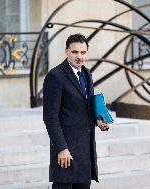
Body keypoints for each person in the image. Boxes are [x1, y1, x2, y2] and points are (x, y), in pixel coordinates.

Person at [43, 33, 109, 189]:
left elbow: (86, 107)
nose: (79, 56)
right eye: (75, 52)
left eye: (83, 52)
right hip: (66, 153)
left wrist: (99, 121)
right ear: (66, 51)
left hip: (85, 153)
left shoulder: (87, 74)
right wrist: (61, 148)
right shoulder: (55, 76)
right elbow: (50, 117)